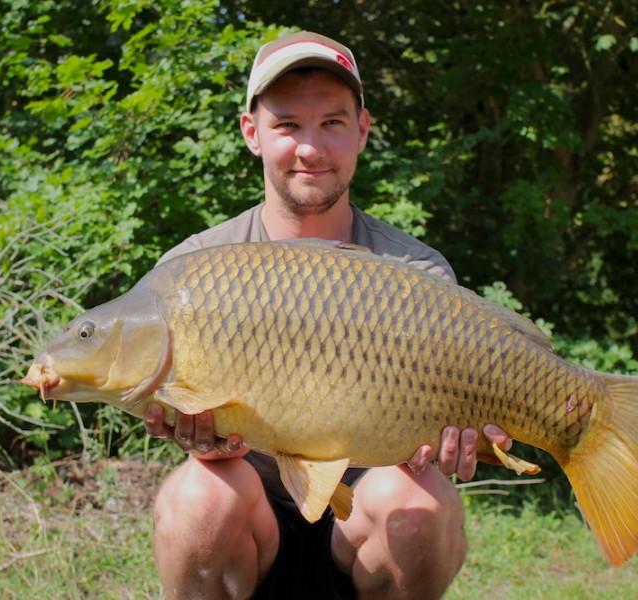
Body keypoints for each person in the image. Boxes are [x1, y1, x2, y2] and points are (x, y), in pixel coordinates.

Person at [143, 31, 514, 600]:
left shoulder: (416, 271)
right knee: (198, 498)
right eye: (288, 125)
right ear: (252, 133)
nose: (310, 148)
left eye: (333, 124)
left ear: (362, 130)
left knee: (419, 503)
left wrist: (460, 437)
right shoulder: (193, 269)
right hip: (252, 526)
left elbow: (443, 441)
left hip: (363, 531)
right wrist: (203, 437)